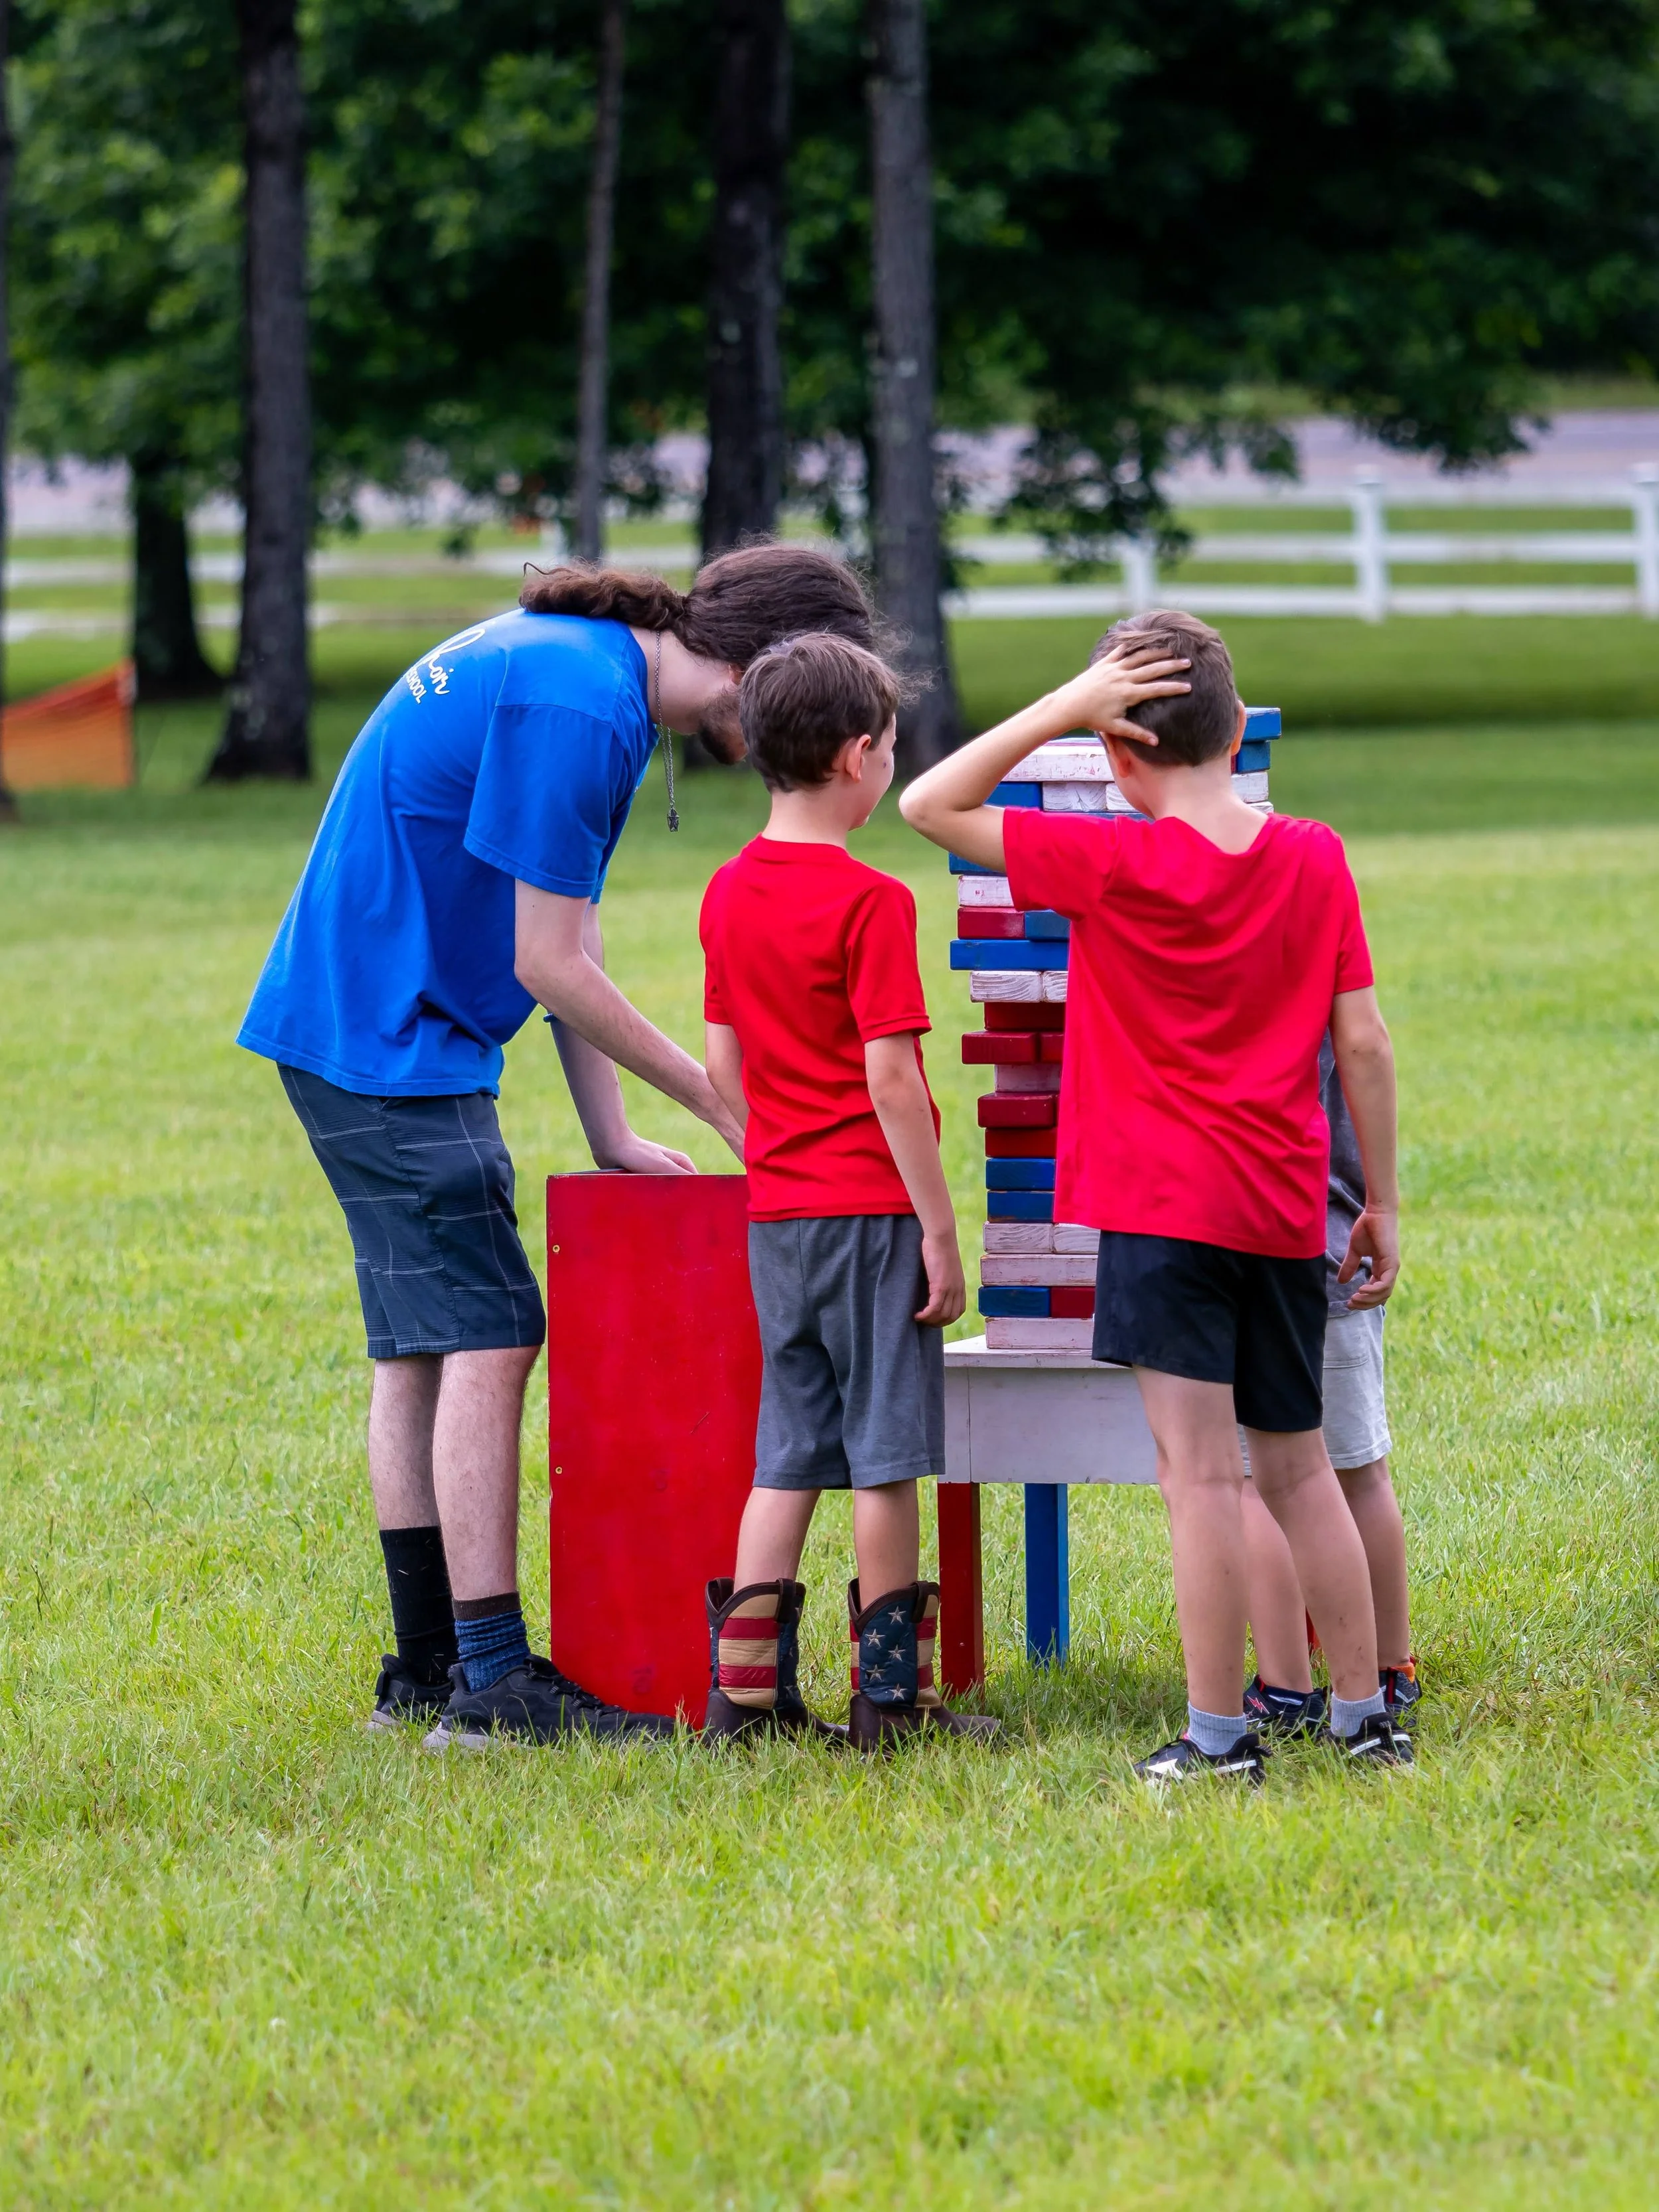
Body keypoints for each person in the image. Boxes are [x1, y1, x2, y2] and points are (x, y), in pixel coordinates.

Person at [238, 544, 883, 1749]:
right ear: (768, 670)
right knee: (490, 1334)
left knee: (423, 1350)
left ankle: (426, 1673)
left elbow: (557, 943)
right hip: (388, 1038)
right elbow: (549, 963)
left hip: (361, 1026)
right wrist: (719, 1099)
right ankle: (490, 1686)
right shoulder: (582, 700)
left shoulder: (596, 680)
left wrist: (612, 1131)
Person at [901, 609, 1410, 1782]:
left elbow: (928, 802)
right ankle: (1362, 1713)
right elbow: (1366, 1043)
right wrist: (1380, 1199)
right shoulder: (1314, 854)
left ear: (1120, 758)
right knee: (1300, 1465)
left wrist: (1062, 712)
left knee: (1200, 1480)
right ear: (1238, 733)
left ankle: (1220, 1738)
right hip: (1286, 1211)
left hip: (1161, 1216)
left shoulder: (1109, 860)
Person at [697, 633, 997, 1752]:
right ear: (859, 756)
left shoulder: (726, 894)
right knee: (883, 1457)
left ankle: (745, 1702)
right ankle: (892, 1705)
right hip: (872, 1215)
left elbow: (723, 1071)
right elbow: (893, 1077)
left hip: (776, 1216)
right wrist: (938, 1228)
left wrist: (774, 1153)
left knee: (789, 1451)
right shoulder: (870, 901)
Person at [1239, 1037, 1419, 1738]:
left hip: (1236, 1250)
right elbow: (1369, 1047)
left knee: (1256, 1481)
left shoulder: (1205, 934)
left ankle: (1283, 1688)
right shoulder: (1322, 933)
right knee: (1359, 1474)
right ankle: (1387, 1669)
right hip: (1331, 1245)